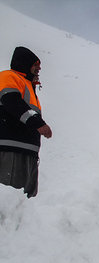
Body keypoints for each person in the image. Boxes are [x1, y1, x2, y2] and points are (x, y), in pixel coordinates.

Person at [0, 46, 52, 198]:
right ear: (24, 63)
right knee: (8, 197)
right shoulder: (9, 77)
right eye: (36, 64)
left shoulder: (28, 86)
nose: (39, 68)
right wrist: (38, 124)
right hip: (10, 150)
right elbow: (11, 102)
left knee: (21, 201)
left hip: (26, 153)